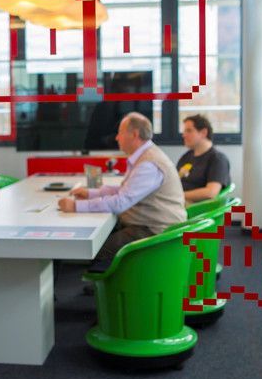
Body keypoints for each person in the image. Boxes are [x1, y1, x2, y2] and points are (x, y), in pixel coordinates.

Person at [58, 112, 186, 272]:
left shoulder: (148, 165)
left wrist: (75, 206)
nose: (117, 137)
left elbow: (120, 203)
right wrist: (91, 194)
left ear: (134, 135)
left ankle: (112, 283)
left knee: (98, 249)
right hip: (148, 224)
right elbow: (125, 190)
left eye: (120, 132)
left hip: (155, 231)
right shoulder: (145, 156)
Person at [176, 114, 231, 204]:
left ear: (203, 133)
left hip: (197, 207)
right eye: (184, 131)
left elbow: (211, 193)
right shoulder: (186, 157)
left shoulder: (217, 159)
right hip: (178, 202)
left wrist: (178, 195)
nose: (184, 135)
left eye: (189, 131)